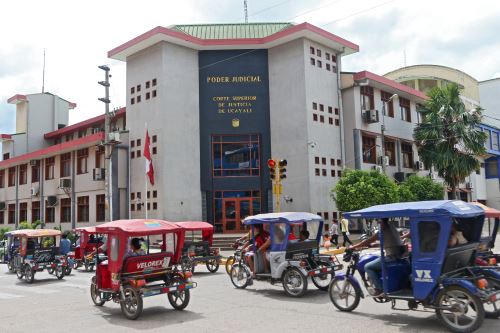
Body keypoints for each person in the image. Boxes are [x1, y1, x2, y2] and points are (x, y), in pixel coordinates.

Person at [350, 218, 407, 297]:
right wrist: (375, 245)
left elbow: (369, 240)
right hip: (399, 254)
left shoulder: (383, 229)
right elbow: (389, 241)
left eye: (378, 221)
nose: (377, 222)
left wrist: (354, 246)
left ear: (381, 221)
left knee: (368, 267)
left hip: (392, 256)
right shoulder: (391, 227)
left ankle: (379, 289)